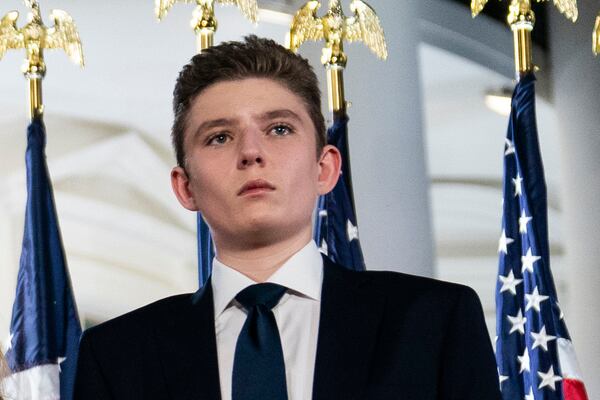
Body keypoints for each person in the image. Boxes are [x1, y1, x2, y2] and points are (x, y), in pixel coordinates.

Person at [74, 35, 501, 400]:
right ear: (186, 187)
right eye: (220, 137)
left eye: (279, 128)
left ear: (325, 168)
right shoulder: (117, 355)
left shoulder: (434, 322)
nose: (251, 152)